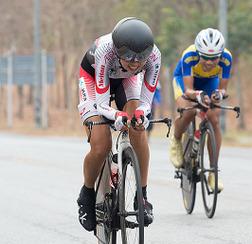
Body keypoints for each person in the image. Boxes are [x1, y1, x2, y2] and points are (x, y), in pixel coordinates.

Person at [77, 17, 161, 231]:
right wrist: (117, 116)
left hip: (127, 80)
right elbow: (103, 105)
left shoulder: (154, 57)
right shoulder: (105, 52)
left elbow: (146, 102)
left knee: (138, 129)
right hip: (94, 79)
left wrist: (140, 114)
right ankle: (86, 194)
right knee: (100, 144)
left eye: (140, 59)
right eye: (129, 57)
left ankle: (141, 197)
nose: (135, 63)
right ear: (117, 51)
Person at [170, 28, 232, 192]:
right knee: (189, 111)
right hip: (186, 83)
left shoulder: (227, 58)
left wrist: (218, 94)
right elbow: (189, 91)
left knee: (214, 119)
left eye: (214, 58)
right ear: (198, 53)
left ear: (221, 54)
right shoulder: (189, 55)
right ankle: (176, 140)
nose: (210, 62)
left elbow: (223, 89)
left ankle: (213, 171)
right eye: (205, 57)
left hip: (209, 82)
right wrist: (199, 95)